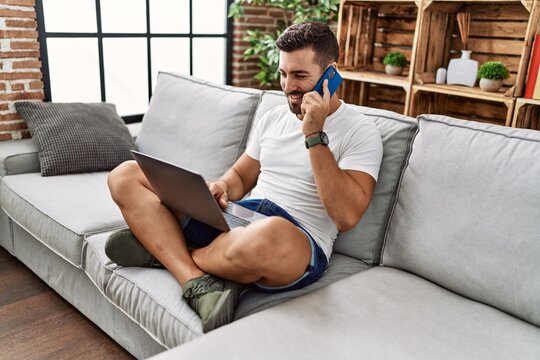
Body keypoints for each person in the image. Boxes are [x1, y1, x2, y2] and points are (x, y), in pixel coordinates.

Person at [105, 21, 383, 333]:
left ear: (330, 73)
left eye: (300, 76)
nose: (288, 86)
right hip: (238, 221)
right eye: (283, 73)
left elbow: (346, 216)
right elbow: (240, 176)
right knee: (127, 174)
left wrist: (315, 135)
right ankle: (194, 279)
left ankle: (162, 249)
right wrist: (221, 186)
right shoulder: (274, 117)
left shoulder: (361, 131)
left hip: (295, 239)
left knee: (270, 232)